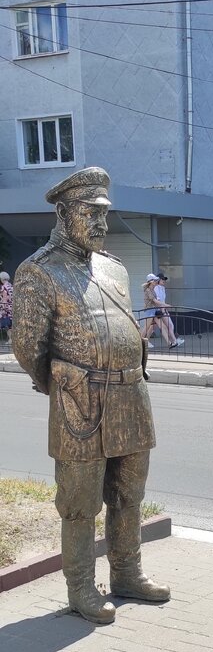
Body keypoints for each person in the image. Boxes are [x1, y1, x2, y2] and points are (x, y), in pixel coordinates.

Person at [11, 166, 170, 624]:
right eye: (90, 213)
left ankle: (127, 574)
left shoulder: (113, 267)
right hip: (79, 404)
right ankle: (81, 587)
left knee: (129, 494)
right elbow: (28, 346)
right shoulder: (38, 271)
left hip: (131, 397)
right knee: (80, 503)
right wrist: (65, 382)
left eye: (104, 213)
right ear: (63, 214)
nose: (101, 223)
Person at [154, 271, 183, 349]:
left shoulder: (162, 288)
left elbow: (162, 300)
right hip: (159, 310)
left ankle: (173, 341)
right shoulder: (156, 288)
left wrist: (164, 307)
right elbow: (158, 301)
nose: (164, 280)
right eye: (162, 279)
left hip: (162, 309)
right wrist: (163, 309)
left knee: (153, 327)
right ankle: (174, 341)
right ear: (158, 280)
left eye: (164, 279)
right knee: (169, 325)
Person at [0, 271, 13, 338]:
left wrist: (3, 311)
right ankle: (11, 339)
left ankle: (11, 339)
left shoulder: (3, 288)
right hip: (12, 308)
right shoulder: (11, 286)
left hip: (7, 309)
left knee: (7, 325)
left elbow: (4, 300)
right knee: (11, 326)